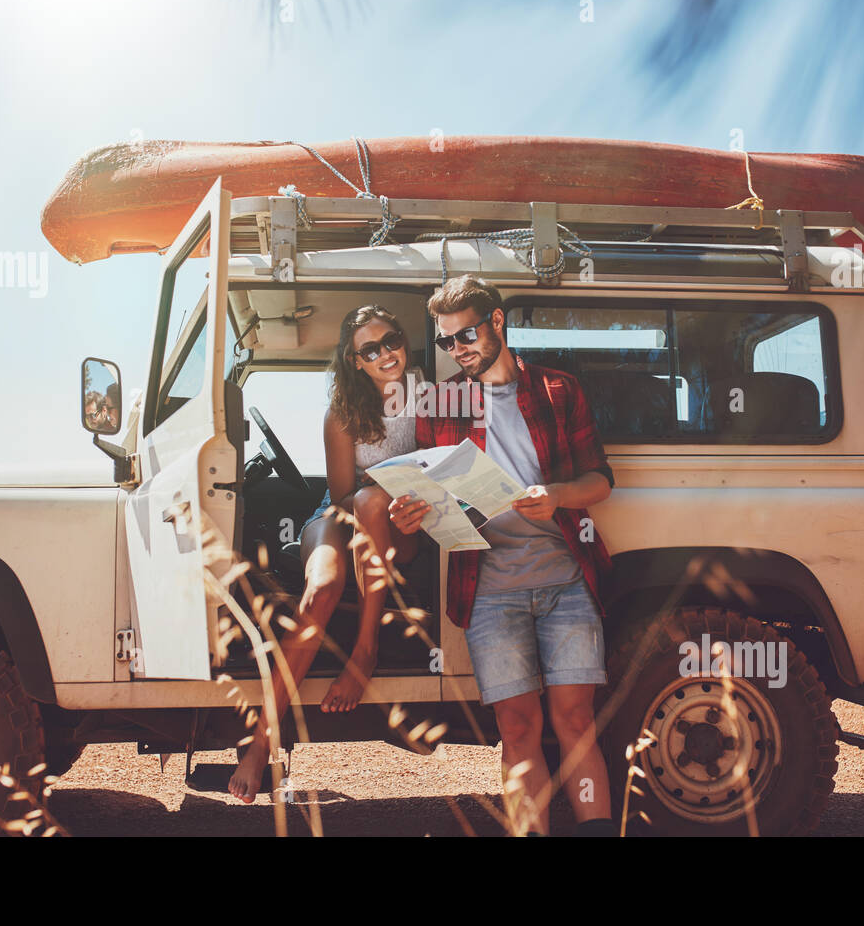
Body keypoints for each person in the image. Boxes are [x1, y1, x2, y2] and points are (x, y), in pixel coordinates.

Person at [389, 275, 618, 836]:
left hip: (566, 579)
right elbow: (427, 499)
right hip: (488, 586)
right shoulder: (440, 405)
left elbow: (602, 480)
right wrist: (407, 518)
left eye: (465, 335)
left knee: (575, 721)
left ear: (496, 322)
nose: (457, 351)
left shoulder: (558, 390)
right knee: (516, 728)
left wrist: (558, 495)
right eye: (445, 342)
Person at [229, 304, 423, 803]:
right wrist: (376, 492)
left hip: (405, 521)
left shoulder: (429, 395)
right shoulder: (343, 413)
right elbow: (339, 498)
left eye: (392, 340)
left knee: (373, 499)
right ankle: (259, 743)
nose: (386, 353)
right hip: (340, 515)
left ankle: (365, 652)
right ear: (355, 361)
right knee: (321, 588)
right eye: (370, 349)